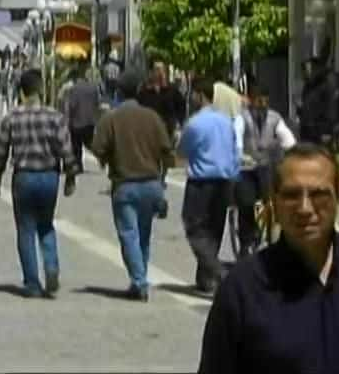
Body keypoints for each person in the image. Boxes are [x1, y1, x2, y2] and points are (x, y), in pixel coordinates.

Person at [198, 143, 339, 374]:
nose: (305, 208)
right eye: (291, 195)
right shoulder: (242, 289)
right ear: (273, 201)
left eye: (319, 194)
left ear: (338, 197)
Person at [0, 69, 79, 298]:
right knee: (46, 224)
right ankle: (51, 266)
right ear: (40, 89)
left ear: (21, 91)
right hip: (49, 176)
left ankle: (32, 284)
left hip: (24, 177)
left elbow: (0, 150)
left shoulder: (12, 117)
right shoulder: (54, 117)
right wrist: (70, 176)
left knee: (25, 230)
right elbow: (66, 149)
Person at [91, 70, 174, 301]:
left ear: (118, 92)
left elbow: (97, 148)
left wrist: (108, 160)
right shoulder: (152, 117)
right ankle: (140, 277)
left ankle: (139, 281)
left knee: (129, 234)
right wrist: (162, 177)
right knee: (144, 234)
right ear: (139, 91)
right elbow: (168, 152)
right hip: (151, 183)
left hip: (125, 184)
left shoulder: (111, 119)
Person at [177, 78, 239, 295]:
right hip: (225, 181)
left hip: (201, 182)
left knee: (194, 229)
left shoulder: (195, 123)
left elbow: (182, 151)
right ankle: (205, 279)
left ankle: (218, 271)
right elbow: (234, 151)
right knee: (213, 231)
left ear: (199, 95)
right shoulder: (225, 121)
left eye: (192, 94)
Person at [236, 84, 296, 256]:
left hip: (267, 166)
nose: (261, 105)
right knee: (246, 202)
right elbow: (237, 139)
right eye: (257, 101)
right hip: (246, 167)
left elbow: (288, 140)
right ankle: (246, 242)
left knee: (274, 199)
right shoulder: (242, 118)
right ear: (250, 100)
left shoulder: (274, 118)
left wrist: (293, 154)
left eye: (264, 102)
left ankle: (275, 236)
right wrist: (239, 153)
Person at [67, 66, 101, 173]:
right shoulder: (93, 88)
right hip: (90, 121)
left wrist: (68, 119)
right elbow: (97, 104)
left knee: (76, 146)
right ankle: (102, 156)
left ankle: (78, 164)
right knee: (90, 143)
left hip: (76, 122)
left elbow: (72, 105)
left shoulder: (74, 89)